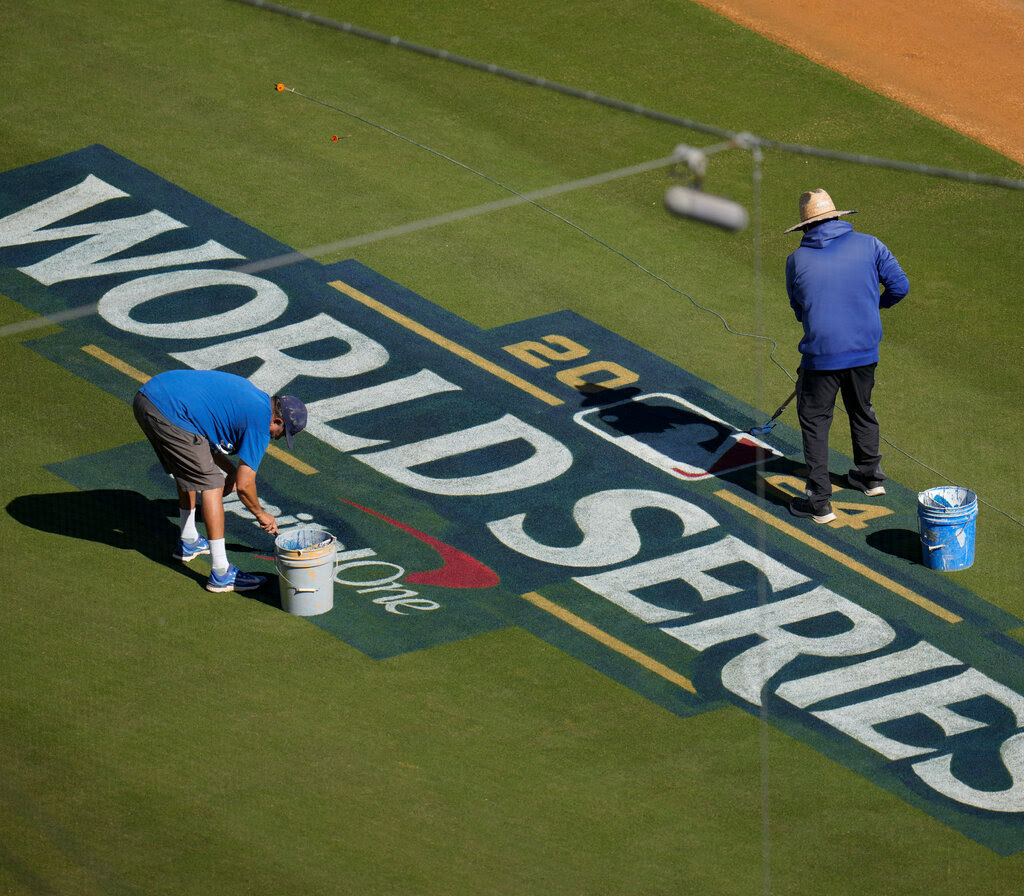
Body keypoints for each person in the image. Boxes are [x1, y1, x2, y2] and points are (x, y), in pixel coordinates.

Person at [784, 189, 909, 524]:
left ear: (806, 227)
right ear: (837, 217)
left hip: (821, 356)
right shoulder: (871, 244)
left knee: (814, 422)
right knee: (861, 408)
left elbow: (800, 311)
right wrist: (873, 306)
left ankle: (819, 502)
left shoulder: (796, 261)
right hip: (865, 350)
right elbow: (900, 286)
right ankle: (870, 477)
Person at [132, 369, 307, 591]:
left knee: (189, 468)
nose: (277, 438)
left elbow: (203, 441)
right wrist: (261, 514)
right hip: (170, 411)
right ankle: (221, 573)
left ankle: (188, 541)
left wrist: (231, 471)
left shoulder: (251, 399)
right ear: (277, 420)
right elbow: (244, 486)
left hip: (149, 398)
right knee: (212, 483)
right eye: (281, 434)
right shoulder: (260, 422)